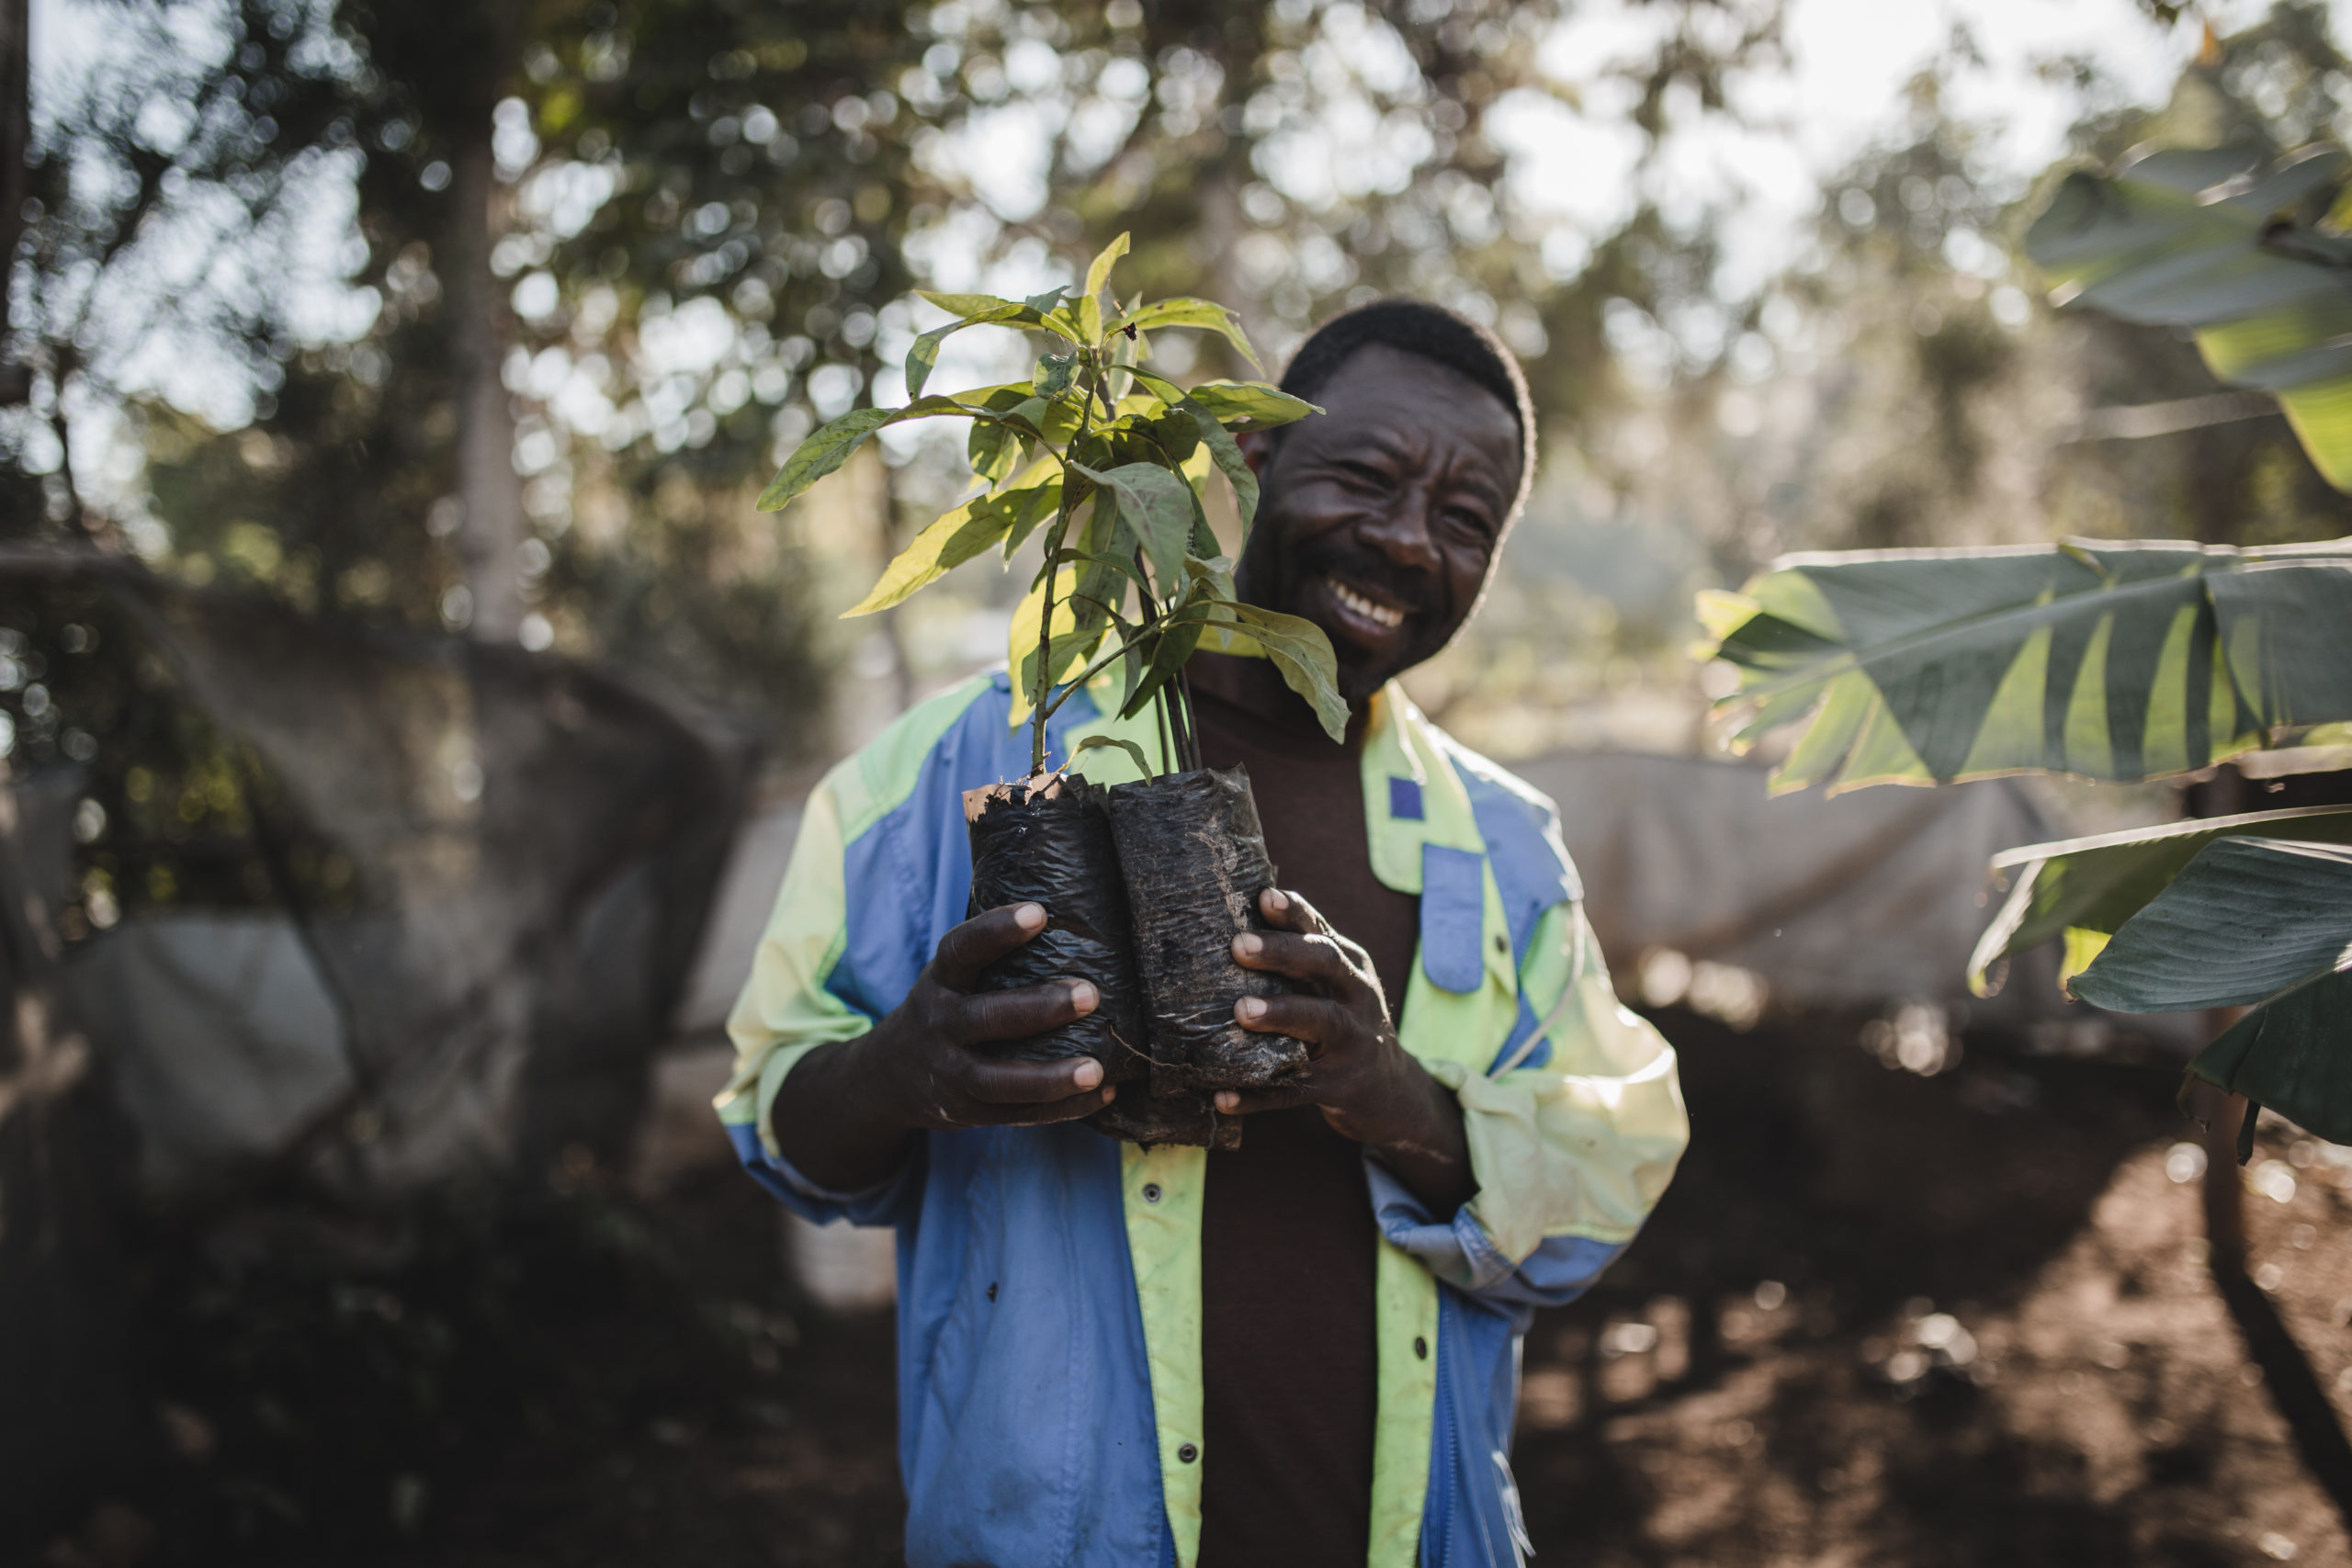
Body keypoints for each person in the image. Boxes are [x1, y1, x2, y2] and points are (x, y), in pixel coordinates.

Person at [717, 299, 1689, 1568]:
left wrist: (1387, 1091)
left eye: (1464, 521)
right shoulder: (967, 761)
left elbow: (1603, 1177)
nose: (1404, 539)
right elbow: (782, 1122)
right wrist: (909, 1068)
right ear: (1253, 463)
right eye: (1369, 476)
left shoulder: (1501, 846)